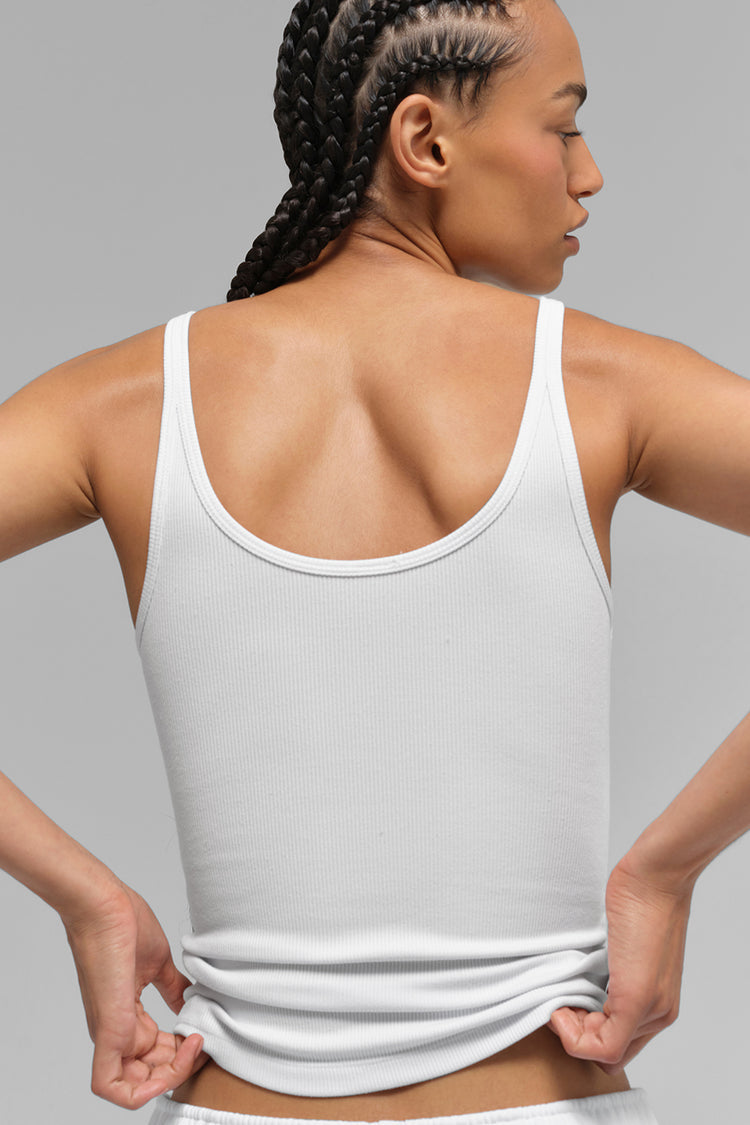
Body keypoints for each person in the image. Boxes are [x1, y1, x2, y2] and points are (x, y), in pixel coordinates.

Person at [1, 1, 749, 1123]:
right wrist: (669, 869)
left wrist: (82, 897)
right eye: (563, 126)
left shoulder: (118, 405)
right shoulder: (603, 387)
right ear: (425, 141)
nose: (588, 173)